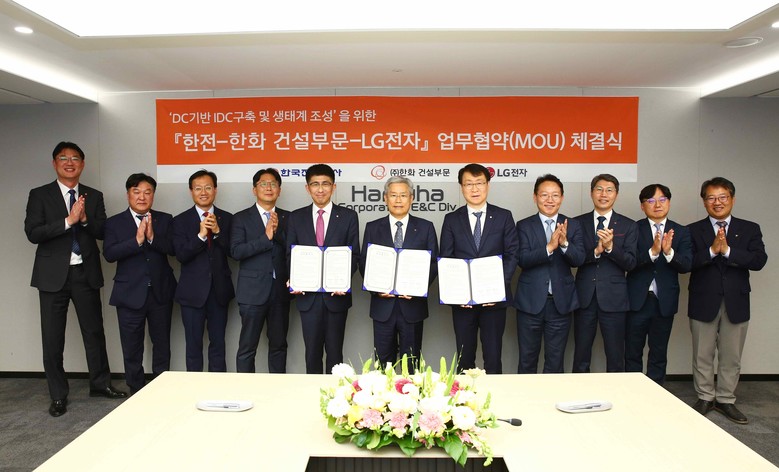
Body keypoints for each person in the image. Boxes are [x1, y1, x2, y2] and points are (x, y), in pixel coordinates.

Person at [24, 141, 126, 417]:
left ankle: (100, 384)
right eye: (63, 158)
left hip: (85, 272)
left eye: (75, 159)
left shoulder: (93, 195)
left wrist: (84, 220)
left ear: (83, 164)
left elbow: (103, 231)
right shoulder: (40, 195)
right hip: (52, 276)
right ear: (54, 163)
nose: (69, 163)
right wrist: (68, 221)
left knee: (94, 332)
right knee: (52, 338)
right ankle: (58, 395)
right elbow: (33, 232)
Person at [687, 177, 767, 424]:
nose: (717, 202)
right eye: (711, 197)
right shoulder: (692, 230)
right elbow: (686, 262)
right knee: (702, 354)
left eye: (722, 197)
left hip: (736, 300)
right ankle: (705, 396)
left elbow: (759, 260)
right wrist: (712, 251)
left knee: (731, 355)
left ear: (732, 199)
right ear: (704, 201)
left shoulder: (750, 228)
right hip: (703, 299)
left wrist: (728, 251)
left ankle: (725, 399)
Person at [439, 163, 518, 374]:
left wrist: (497, 289)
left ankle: (495, 393)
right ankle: (463, 396)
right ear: (461, 187)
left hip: (494, 302)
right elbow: (446, 258)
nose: (474, 189)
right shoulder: (452, 219)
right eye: (469, 184)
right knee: (464, 357)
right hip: (463, 303)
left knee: (493, 356)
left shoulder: (503, 216)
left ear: (488, 185)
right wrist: (458, 294)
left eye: (479, 183)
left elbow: (512, 255)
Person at [103, 173, 176, 394]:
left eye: (147, 192)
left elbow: (174, 249)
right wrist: (136, 241)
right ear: (128, 194)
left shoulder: (165, 219)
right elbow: (109, 254)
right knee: (131, 346)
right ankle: (135, 389)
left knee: (162, 344)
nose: (142, 197)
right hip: (129, 293)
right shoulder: (114, 222)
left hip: (160, 291)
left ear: (153, 195)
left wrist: (152, 239)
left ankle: (161, 389)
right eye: (136, 192)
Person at [286, 164, 360, 374]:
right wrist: (293, 279)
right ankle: (313, 392)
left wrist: (342, 281)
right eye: (315, 184)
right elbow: (290, 254)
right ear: (307, 188)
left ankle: (336, 393)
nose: (320, 189)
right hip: (307, 296)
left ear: (334, 187)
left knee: (335, 353)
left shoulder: (348, 216)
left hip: (336, 296)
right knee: (312, 353)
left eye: (325, 184)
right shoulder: (296, 217)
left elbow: (354, 255)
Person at [359, 176, 438, 367]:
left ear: (412, 198)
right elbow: (364, 263)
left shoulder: (426, 227)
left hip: (413, 306)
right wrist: (376, 289)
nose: (398, 200)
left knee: (411, 364)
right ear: (385, 198)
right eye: (393, 195)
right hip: (382, 306)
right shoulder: (373, 228)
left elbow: (433, 264)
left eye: (403, 195)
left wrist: (417, 288)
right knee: (382, 365)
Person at [514, 174, 584, 374]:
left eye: (555, 195)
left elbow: (579, 259)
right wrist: (549, 247)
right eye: (544, 195)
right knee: (527, 359)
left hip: (560, 303)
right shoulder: (524, 225)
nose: (550, 200)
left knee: (555, 361)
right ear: (535, 197)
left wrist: (564, 244)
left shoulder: (573, 225)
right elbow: (522, 259)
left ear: (562, 198)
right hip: (530, 303)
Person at [626, 184, 692, 384]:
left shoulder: (681, 231)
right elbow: (627, 262)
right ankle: (633, 391)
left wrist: (669, 253)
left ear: (669, 203)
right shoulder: (633, 229)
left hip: (664, 301)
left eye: (662, 200)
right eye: (651, 201)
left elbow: (686, 265)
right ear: (642, 206)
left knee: (659, 351)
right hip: (636, 300)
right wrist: (652, 253)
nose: (657, 205)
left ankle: (656, 392)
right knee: (632, 351)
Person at [573, 174, 637, 373]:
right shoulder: (577, 223)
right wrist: (596, 251)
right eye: (599, 189)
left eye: (609, 190)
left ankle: (616, 390)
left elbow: (631, 263)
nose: (604, 194)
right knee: (581, 352)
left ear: (616, 194)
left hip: (614, 298)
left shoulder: (628, 225)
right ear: (591, 193)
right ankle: (580, 387)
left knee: (615, 354)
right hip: (584, 296)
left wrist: (610, 248)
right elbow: (574, 258)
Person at [172, 170, 234, 372]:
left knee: (218, 344)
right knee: (193, 345)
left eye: (208, 187)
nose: (203, 192)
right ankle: (194, 386)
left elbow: (233, 252)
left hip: (219, 291)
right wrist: (200, 236)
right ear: (191, 191)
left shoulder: (227, 218)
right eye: (198, 188)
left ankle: (218, 385)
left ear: (215, 189)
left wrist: (217, 233)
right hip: (192, 293)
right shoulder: (179, 220)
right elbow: (181, 255)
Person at [230, 168, 291, 373]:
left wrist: (278, 232)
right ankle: (245, 387)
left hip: (280, 291)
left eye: (273, 184)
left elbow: (294, 250)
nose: (268, 188)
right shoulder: (241, 218)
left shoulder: (289, 217)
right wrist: (265, 238)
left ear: (279, 190)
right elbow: (236, 251)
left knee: (279, 346)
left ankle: (277, 387)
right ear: (254, 189)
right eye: (263, 184)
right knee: (247, 347)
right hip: (252, 292)